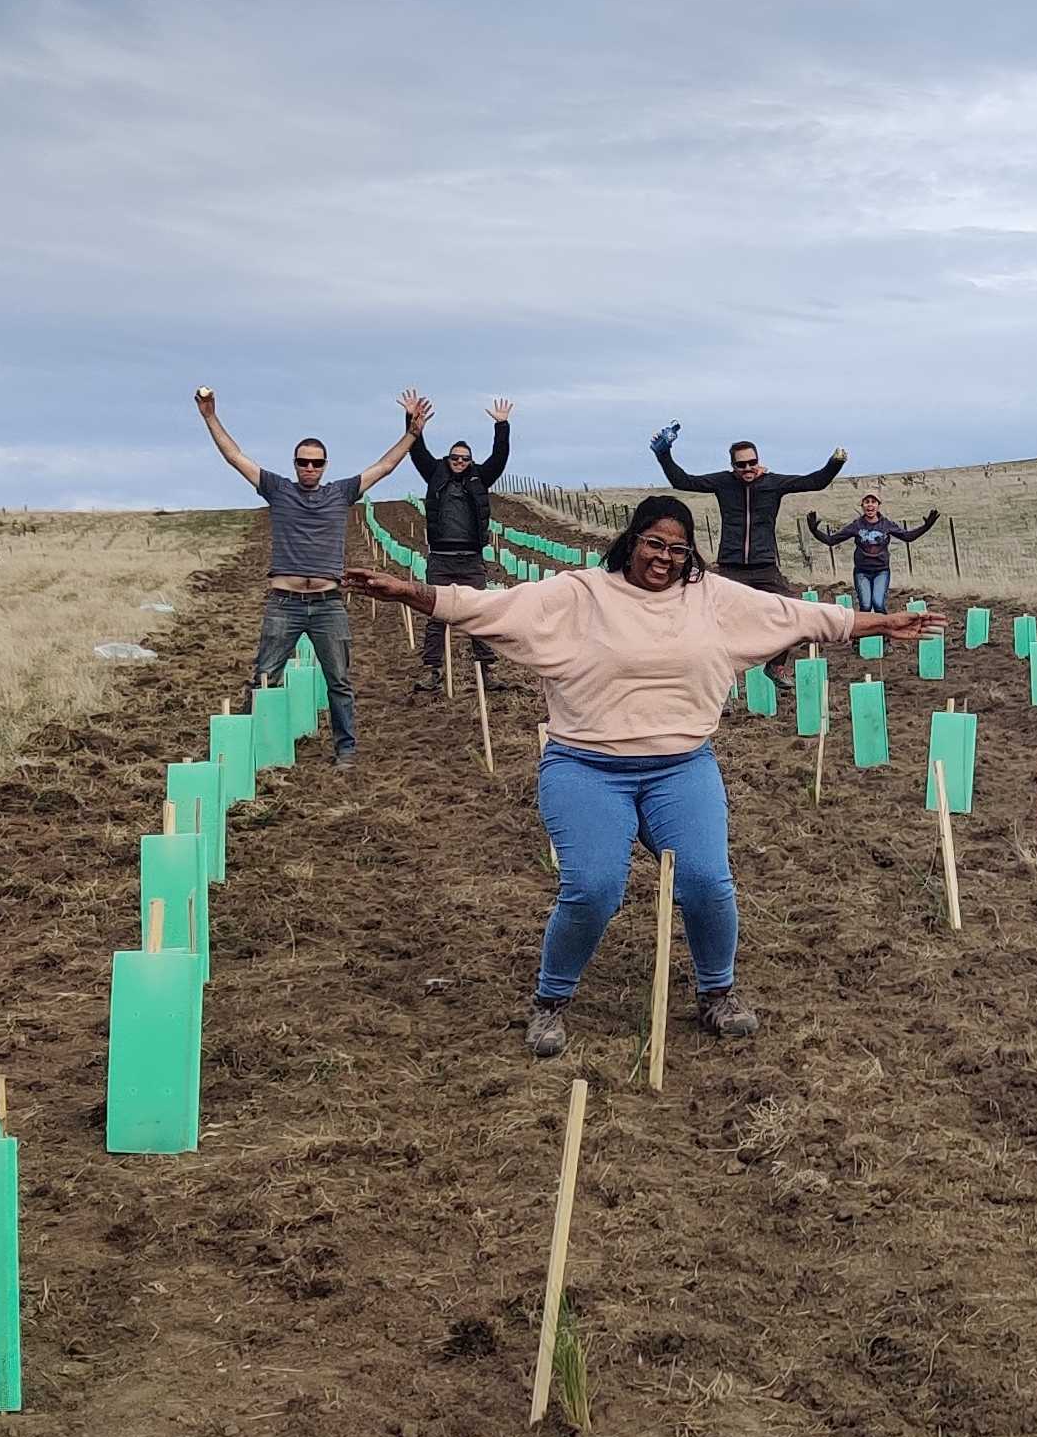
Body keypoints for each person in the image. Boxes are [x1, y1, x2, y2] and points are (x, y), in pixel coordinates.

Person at [347, 497, 936, 1053]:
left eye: (678, 550)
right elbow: (494, 606)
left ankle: (717, 993)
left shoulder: (710, 597)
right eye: (654, 543)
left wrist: (880, 623)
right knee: (594, 888)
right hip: (586, 766)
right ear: (631, 542)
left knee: (707, 882)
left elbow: (796, 614)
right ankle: (550, 1000)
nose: (665, 558)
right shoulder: (581, 593)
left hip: (681, 767)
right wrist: (412, 593)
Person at [197, 385, 422, 766]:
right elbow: (235, 456)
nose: (309, 468)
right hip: (283, 604)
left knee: (339, 681)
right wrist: (210, 416)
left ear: (325, 466)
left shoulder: (341, 493)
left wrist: (412, 434)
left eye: (316, 463)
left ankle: (345, 750)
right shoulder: (277, 489)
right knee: (264, 677)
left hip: (328, 605)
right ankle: (245, 753)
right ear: (294, 463)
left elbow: (384, 467)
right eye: (303, 462)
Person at [652, 423, 845, 597]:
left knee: (788, 612)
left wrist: (835, 462)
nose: (748, 468)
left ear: (758, 461)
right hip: (730, 568)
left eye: (752, 462)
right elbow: (683, 481)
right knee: (723, 614)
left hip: (765, 568)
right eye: (741, 464)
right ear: (733, 466)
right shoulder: (723, 482)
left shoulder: (773, 483)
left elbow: (814, 482)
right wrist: (664, 455)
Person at [408, 399, 513, 694]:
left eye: (465, 458)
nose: (459, 461)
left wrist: (502, 425)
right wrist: (412, 422)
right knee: (436, 616)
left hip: (471, 560)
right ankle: (432, 671)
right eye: (455, 457)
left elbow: (500, 457)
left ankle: (487, 671)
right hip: (440, 560)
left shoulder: (480, 477)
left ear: (470, 460)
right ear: (448, 458)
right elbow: (417, 451)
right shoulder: (434, 473)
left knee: (479, 615)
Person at [807, 493, 939, 611]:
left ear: (878, 505)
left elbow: (908, 537)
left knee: (878, 604)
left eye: (873, 502)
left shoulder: (886, 525)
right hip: (862, 572)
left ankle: (883, 630)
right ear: (862, 506)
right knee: (865, 605)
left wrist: (926, 526)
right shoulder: (856, 525)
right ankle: (864, 630)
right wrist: (814, 531)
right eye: (867, 502)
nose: (870, 505)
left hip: (881, 571)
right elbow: (831, 540)